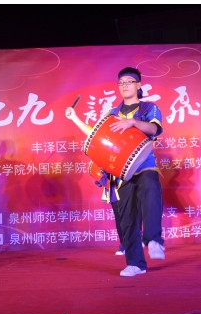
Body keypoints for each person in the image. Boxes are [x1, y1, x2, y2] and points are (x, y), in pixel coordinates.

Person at [66, 66, 165, 277]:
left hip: (144, 164)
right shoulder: (112, 113)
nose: (124, 86)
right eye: (121, 82)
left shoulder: (149, 107)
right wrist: (74, 118)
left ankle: (154, 239)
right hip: (121, 171)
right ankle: (136, 264)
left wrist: (132, 123)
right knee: (127, 217)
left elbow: (154, 129)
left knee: (150, 188)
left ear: (138, 85)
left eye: (129, 81)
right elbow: (96, 135)